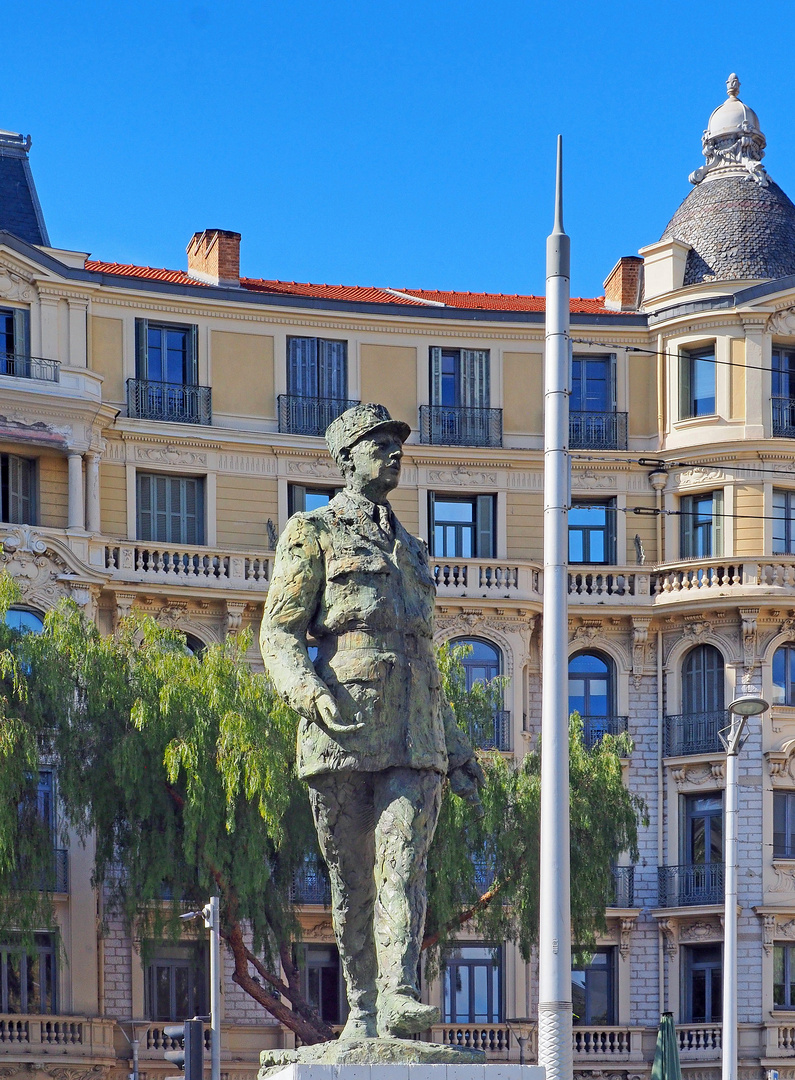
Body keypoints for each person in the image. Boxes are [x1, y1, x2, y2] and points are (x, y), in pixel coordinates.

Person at [260, 403, 484, 1041]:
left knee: (402, 865)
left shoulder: (412, 551)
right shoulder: (314, 531)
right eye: (377, 444)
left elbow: (422, 655)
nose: (393, 454)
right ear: (346, 458)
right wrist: (304, 688)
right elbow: (279, 631)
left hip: (417, 734)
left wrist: (460, 748)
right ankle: (361, 1008)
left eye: (396, 444)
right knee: (353, 881)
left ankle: (400, 995)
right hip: (343, 728)